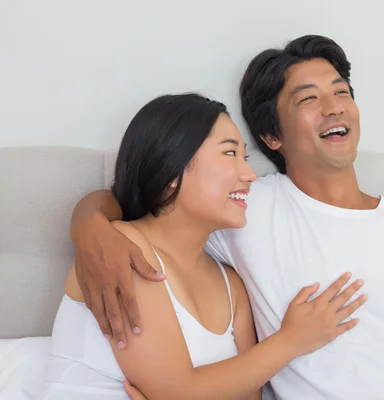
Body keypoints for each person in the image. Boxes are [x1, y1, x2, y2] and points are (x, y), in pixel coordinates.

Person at [69, 35, 384, 400]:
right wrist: (91, 228)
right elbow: (143, 198)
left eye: (342, 92)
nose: (334, 106)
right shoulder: (246, 205)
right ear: (272, 134)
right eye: (308, 99)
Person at [38, 93, 366, 399]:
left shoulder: (231, 285)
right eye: (229, 153)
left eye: (245, 156)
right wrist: (292, 340)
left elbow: (248, 394)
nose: (250, 174)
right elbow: (178, 391)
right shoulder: (125, 250)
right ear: (172, 171)